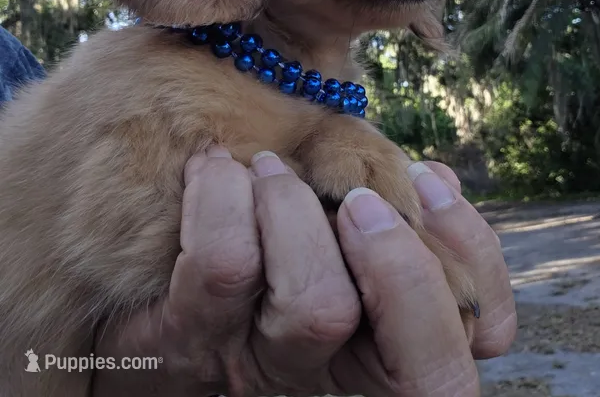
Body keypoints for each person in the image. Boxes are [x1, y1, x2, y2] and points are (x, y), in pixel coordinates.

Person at [0, 27, 516, 396]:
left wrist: (159, 365)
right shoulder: (134, 71)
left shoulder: (12, 63)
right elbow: (117, 239)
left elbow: (75, 351)